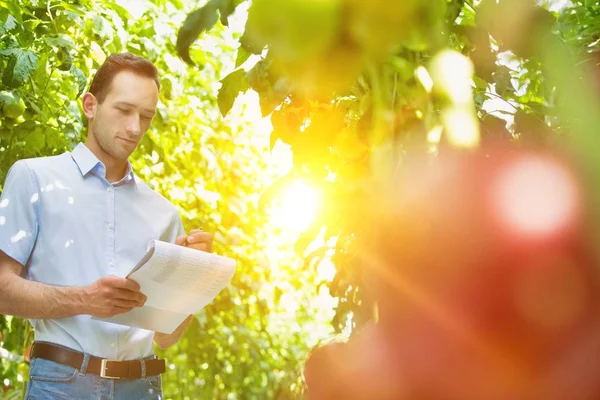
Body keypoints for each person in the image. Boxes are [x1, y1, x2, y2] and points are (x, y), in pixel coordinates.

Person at [0, 53, 213, 399]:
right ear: (90, 105)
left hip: (142, 387)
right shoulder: (33, 178)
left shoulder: (164, 213)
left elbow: (167, 336)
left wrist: (195, 277)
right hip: (61, 385)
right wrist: (85, 299)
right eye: (124, 110)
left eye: (146, 116)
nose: (135, 128)